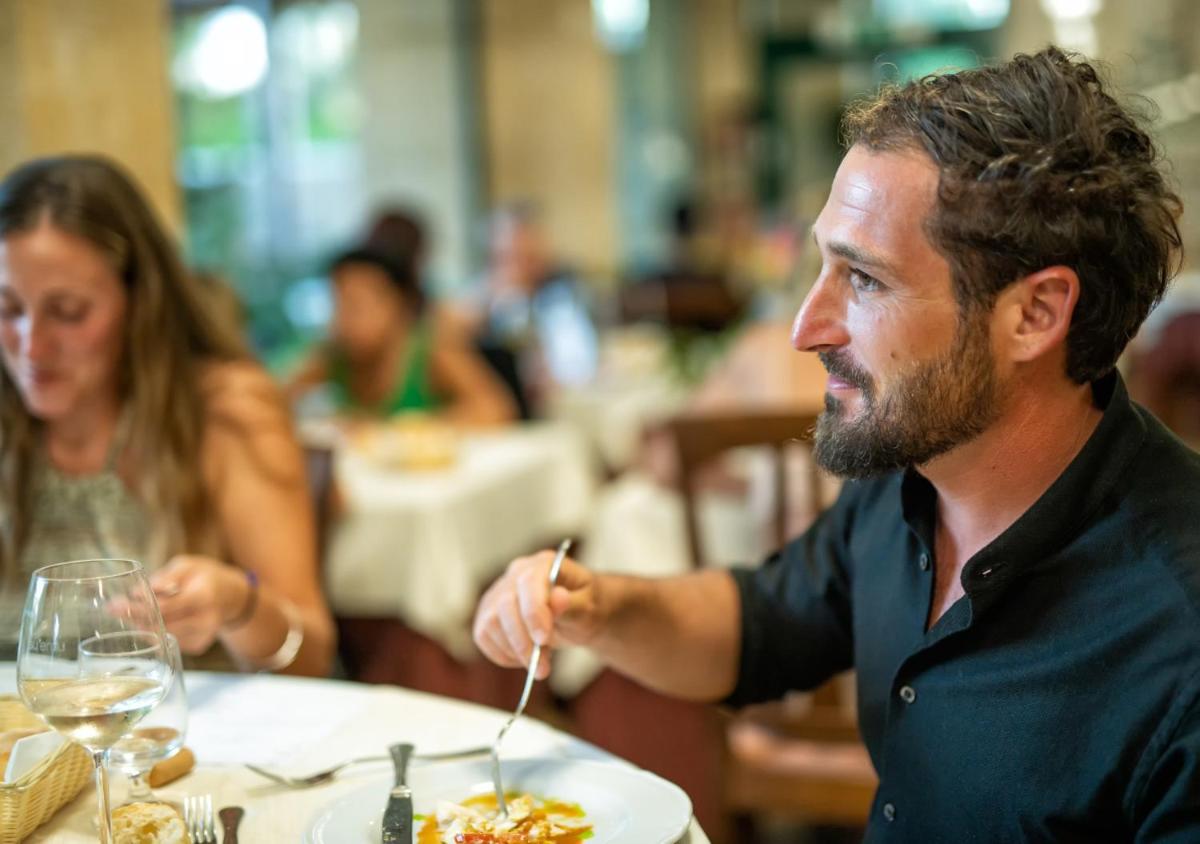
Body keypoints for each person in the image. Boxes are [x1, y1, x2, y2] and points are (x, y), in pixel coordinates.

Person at [473, 47, 1200, 840]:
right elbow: (763, 624)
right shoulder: (914, 475)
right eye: (821, 267)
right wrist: (598, 608)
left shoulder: (1177, 639)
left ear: (1035, 314)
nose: (805, 328)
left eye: (865, 280)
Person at [0, 155, 335, 676]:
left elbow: (311, 655)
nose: (32, 347)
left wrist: (238, 604)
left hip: (183, 722)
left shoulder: (224, 410)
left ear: (140, 303)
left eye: (68, 312)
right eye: (8, 309)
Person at [285, 246, 515, 426]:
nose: (344, 319)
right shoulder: (332, 355)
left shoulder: (431, 347)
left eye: (357, 306)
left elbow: (495, 409)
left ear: (399, 304)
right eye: (337, 304)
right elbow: (278, 398)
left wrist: (399, 432)